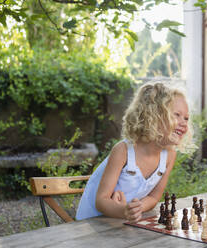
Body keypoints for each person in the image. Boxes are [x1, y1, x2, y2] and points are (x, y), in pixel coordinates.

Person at [76, 82, 193, 222]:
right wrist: (124, 211)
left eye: (186, 118)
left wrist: (137, 208)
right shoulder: (123, 151)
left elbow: (154, 197)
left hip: (122, 222)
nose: (184, 123)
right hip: (92, 223)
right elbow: (101, 201)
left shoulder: (169, 155)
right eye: (177, 115)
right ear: (154, 116)